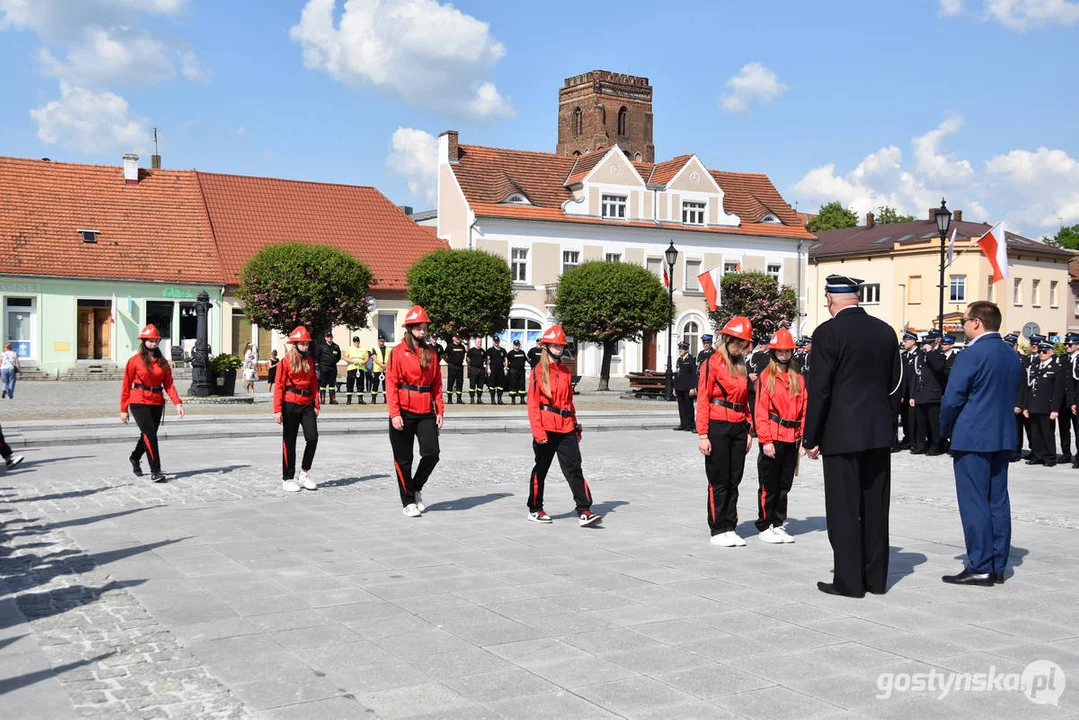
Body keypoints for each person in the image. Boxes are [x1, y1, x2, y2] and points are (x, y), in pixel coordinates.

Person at [803, 275, 902, 598]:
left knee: (844, 509)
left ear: (832, 298)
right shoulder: (885, 331)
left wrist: (811, 436)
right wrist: (886, 421)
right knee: (875, 507)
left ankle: (849, 581)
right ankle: (875, 578)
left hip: (840, 433)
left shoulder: (827, 333)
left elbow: (819, 390)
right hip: (877, 432)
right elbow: (895, 385)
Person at [939, 301, 1023, 586]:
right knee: (997, 501)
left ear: (977, 322)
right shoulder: (1011, 355)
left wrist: (944, 428)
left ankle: (980, 565)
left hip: (972, 436)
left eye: (964, 321)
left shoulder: (971, 355)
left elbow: (952, 399)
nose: (963, 326)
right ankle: (998, 564)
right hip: (1002, 436)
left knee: (974, 502)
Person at [526, 324, 601, 526]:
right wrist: (538, 432)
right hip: (546, 427)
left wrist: (575, 426)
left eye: (561, 346)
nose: (559, 349)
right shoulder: (538, 371)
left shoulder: (566, 372)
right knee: (540, 470)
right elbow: (533, 404)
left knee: (574, 468)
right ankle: (535, 508)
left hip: (566, 427)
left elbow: (569, 402)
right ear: (547, 346)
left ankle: (584, 509)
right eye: (556, 345)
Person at [696, 316, 755, 547]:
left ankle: (731, 525)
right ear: (730, 339)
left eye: (746, 344)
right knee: (719, 479)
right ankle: (718, 528)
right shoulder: (712, 362)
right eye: (742, 343)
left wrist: (749, 429)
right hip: (717, 425)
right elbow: (703, 399)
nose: (745, 347)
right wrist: (703, 434)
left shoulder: (741, 364)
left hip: (738, 425)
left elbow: (745, 400)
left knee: (734, 478)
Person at [387, 306, 444, 518]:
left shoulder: (431, 352)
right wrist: (394, 413)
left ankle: (415, 486)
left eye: (424, 327)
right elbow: (391, 384)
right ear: (409, 328)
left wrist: (439, 410)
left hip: (425, 410)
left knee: (432, 453)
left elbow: (437, 384)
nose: (422, 332)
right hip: (403, 410)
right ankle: (408, 501)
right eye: (418, 328)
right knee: (403, 459)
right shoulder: (398, 352)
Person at [754, 327, 806, 544]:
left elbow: (805, 409)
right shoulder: (766, 377)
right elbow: (760, 411)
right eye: (780, 351)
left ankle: (778, 523)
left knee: (784, 485)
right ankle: (765, 524)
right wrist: (765, 440)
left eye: (787, 351)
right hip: (773, 436)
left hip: (791, 437)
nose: (784, 355)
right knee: (769, 483)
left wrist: (804, 439)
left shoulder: (798, 379)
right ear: (773, 352)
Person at [120, 324, 185, 482]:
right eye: (150, 340)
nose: (154, 343)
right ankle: (156, 470)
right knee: (150, 435)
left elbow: (169, 384)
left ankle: (135, 457)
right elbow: (126, 384)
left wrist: (178, 403)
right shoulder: (134, 361)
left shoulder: (162, 362)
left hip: (156, 401)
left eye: (156, 340)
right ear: (143, 341)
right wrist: (123, 408)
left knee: (148, 435)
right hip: (138, 400)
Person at [274, 326, 320, 492]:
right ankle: (287, 478)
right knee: (289, 442)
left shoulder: (310, 361)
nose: (305, 347)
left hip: (307, 403)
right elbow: (279, 386)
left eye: (307, 344)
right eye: (302, 344)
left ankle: (304, 472)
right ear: (295, 344)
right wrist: (277, 410)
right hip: (290, 403)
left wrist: (317, 404)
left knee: (313, 437)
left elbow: (314, 384)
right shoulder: (285, 362)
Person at [1021, 340, 1063, 467]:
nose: (1041, 354)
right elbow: (1030, 388)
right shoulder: (1035, 366)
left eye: (1044, 352)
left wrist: (1055, 409)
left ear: (1051, 353)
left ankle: (1050, 457)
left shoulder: (1056, 368)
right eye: (1040, 351)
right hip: (1034, 405)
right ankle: (1037, 456)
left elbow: (1058, 391)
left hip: (1047, 406)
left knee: (1047, 433)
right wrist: (1026, 407)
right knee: (1035, 433)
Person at [909, 329, 947, 456]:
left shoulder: (940, 354)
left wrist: (930, 352)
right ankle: (921, 445)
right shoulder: (921, 354)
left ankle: (935, 446)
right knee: (921, 423)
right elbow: (917, 374)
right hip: (921, 394)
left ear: (937, 340)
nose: (928, 341)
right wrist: (913, 394)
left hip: (933, 394)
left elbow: (938, 367)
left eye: (932, 338)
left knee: (934, 423)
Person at [893, 332, 919, 451]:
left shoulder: (919, 355)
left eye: (906, 341)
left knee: (914, 418)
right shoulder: (905, 356)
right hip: (905, 392)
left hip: (915, 391)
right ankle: (908, 438)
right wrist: (902, 393)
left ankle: (914, 440)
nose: (904, 343)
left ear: (913, 341)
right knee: (905, 417)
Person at [1003, 332, 1025, 462]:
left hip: (1014, 401)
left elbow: (1021, 385)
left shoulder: (1019, 361)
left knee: (1016, 428)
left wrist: (1018, 404)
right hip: (1002, 402)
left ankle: (1015, 451)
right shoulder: (1001, 360)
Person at [673, 342, 696, 431]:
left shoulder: (691, 359)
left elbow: (694, 374)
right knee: (681, 407)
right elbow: (677, 374)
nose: (680, 351)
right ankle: (683, 424)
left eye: (682, 349)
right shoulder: (679, 360)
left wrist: (693, 387)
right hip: (679, 387)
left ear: (686, 350)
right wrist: (674, 387)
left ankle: (690, 425)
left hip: (687, 387)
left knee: (689, 407)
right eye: (679, 349)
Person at [1063, 333, 1079, 468]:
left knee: (1077, 430)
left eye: (1070, 344)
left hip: (1075, 401)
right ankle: (1066, 454)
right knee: (1064, 429)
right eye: (1066, 344)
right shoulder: (1064, 359)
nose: (1067, 346)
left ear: (1077, 345)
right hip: (1064, 401)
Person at [317, 331, 342, 405]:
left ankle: (332, 399)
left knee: (332, 384)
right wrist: (319, 365)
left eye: (330, 337)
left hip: (333, 367)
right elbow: (318, 356)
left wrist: (334, 361)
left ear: (332, 337)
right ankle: (322, 399)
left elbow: (338, 357)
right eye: (328, 337)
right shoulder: (322, 347)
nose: (329, 338)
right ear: (325, 338)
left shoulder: (336, 347)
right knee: (323, 384)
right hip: (324, 367)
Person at [344, 336, 367, 405]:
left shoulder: (363, 349)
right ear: (353, 342)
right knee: (350, 383)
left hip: (361, 368)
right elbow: (345, 357)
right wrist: (353, 361)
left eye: (357, 341)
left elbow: (366, 357)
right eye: (355, 341)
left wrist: (362, 362)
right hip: (352, 368)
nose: (356, 342)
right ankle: (349, 399)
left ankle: (360, 399)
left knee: (360, 384)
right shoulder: (349, 348)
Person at [444, 334, 466, 404]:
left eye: (459, 337)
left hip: (460, 367)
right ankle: (449, 399)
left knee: (460, 383)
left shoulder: (462, 346)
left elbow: (464, 355)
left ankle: (459, 399)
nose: (458, 339)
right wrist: (448, 362)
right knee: (450, 382)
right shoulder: (450, 346)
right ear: (453, 338)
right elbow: (445, 355)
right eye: (457, 338)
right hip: (452, 366)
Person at [487, 336, 508, 405]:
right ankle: (492, 399)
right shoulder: (490, 350)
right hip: (493, 369)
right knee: (492, 385)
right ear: (493, 342)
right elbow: (488, 360)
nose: (496, 342)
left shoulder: (503, 350)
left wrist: (505, 368)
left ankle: (499, 399)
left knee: (500, 385)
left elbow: (505, 359)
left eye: (497, 341)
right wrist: (488, 368)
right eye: (495, 341)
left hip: (501, 370)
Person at [506, 340, 528, 405]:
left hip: (521, 371)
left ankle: (522, 399)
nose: (517, 346)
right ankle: (513, 400)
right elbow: (506, 360)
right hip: (513, 371)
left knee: (522, 385)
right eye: (515, 344)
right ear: (513, 345)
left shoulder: (522, 352)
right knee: (513, 385)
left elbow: (526, 359)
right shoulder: (510, 353)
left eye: (518, 344)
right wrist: (506, 367)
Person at [370, 334, 390, 404]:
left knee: (386, 385)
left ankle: (386, 399)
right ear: (378, 341)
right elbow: (375, 358)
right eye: (380, 341)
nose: (381, 342)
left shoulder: (389, 349)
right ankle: (373, 399)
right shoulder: (375, 349)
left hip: (386, 369)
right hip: (377, 369)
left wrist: (386, 366)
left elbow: (391, 359)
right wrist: (381, 365)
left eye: (382, 341)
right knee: (375, 384)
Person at [467, 338, 486, 404]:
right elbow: (468, 359)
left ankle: (479, 399)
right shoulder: (471, 350)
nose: (480, 343)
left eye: (480, 342)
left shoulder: (483, 351)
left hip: (481, 370)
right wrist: (471, 366)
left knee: (480, 385)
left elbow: (484, 359)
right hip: (473, 369)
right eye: (478, 342)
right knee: (472, 385)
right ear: (475, 342)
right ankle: (472, 399)